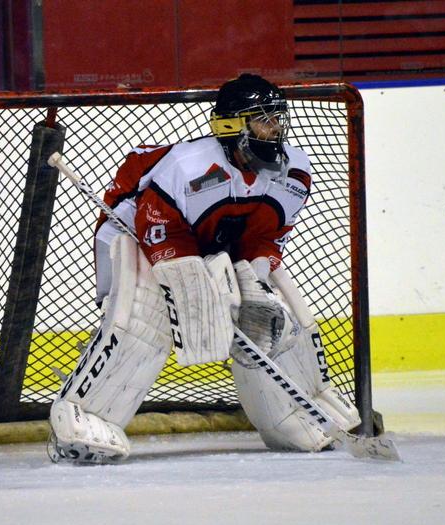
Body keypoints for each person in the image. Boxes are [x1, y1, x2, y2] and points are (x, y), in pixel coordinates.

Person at [49, 74, 360, 463]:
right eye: (264, 119)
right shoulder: (189, 167)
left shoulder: (294, 172)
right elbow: (159, 231)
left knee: (268, 317)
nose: (276, 129)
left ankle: (293, 415)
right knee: (148, 316)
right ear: (233, 126)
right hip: (138, 234)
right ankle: (84, 417)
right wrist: (197, 286)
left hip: (213, 240)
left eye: (278, 118)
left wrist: (253, 280)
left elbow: (266, 237)